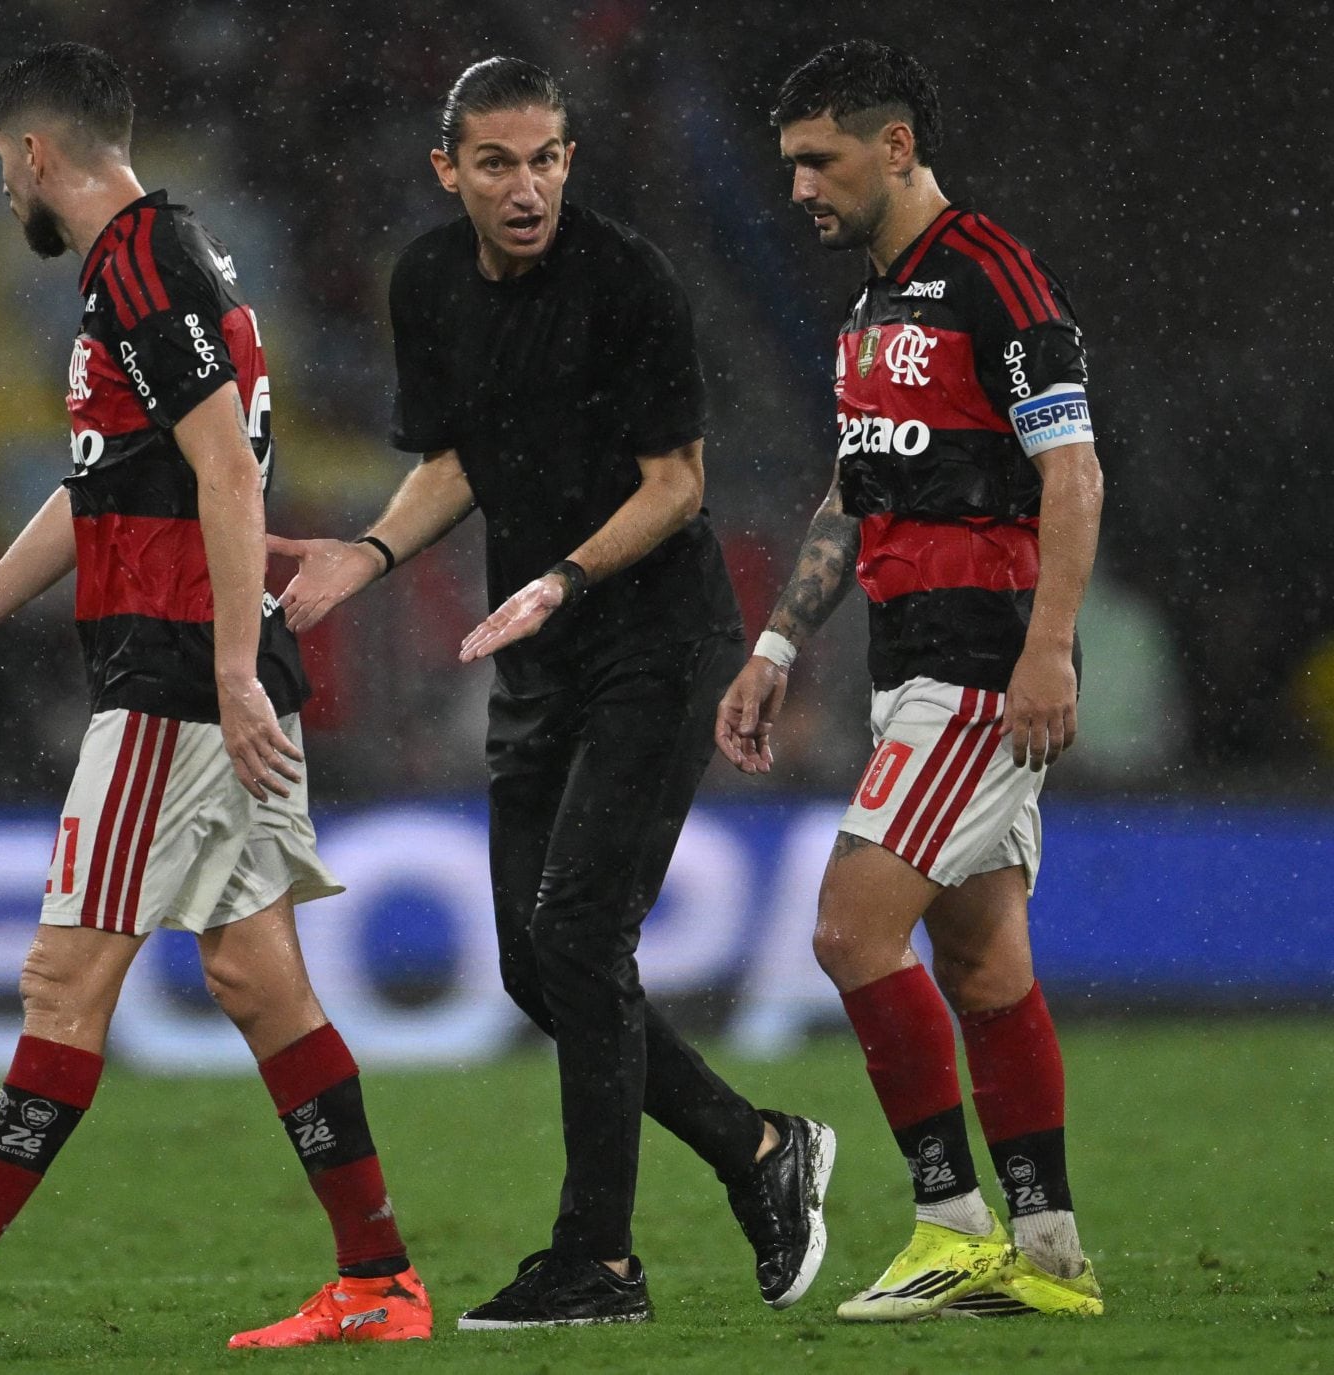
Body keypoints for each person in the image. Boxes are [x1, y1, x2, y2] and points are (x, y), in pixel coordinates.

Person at [0, 43, 430, 1354]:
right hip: (199, 669)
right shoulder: (161, 261)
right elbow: (103, 486)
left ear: (31, 153)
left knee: (62, 976)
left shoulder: (139, 266)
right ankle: (377, 1276)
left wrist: (234, 664)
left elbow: (228, 479)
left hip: (176, 679)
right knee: (256, 977)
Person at [273, 56, 833, 1330]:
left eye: (544, 160)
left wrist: (564, 580)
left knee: (579, 937)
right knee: (537, 966)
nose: (524, 188)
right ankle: (758, 1151)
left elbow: (678, 481)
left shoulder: (626, 278)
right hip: (536, 650)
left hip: (652, 642)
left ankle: (601, 1263)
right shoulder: (425, 281)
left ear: (569, 161)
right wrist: (365, 554)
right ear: (446, 172)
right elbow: (455, 458)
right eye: (495, 164)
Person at [716, 40, 1106, 1321]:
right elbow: (854, 489)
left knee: (845, 929)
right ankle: (1047, 1258)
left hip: (978, 663)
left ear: (893, 147)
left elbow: (1072, 472)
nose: (798, 190)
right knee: (984, 963)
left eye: (817, 160)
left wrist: (1046, 647)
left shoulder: (993, 277)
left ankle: (946, 1224)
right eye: (787, 166)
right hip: (906, 663)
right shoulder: (869, 310)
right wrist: (776, 646)